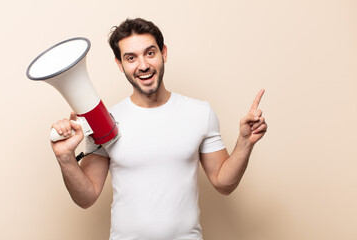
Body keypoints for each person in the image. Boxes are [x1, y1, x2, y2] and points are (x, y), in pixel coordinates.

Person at [51, 18, 267, 240]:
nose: (143, 65)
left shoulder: (200, 112)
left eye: (150, 53)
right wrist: (65, 157)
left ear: (164, 53)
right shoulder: (104, 122)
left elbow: (224, 183)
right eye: (131, 58)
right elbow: (86, 198)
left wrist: (244, 143)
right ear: (119, 64)